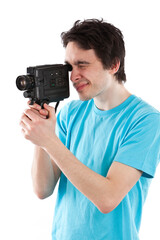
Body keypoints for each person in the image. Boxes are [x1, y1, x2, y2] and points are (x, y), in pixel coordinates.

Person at [20, 19, 160, 240]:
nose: (73, 76)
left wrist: (49, 141)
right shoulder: (71, 113)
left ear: (114, 65)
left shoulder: (146, 120)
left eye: (82, 65)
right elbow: (42, 189)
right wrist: (41, 135)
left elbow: (108, 199)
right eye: (69, 66)